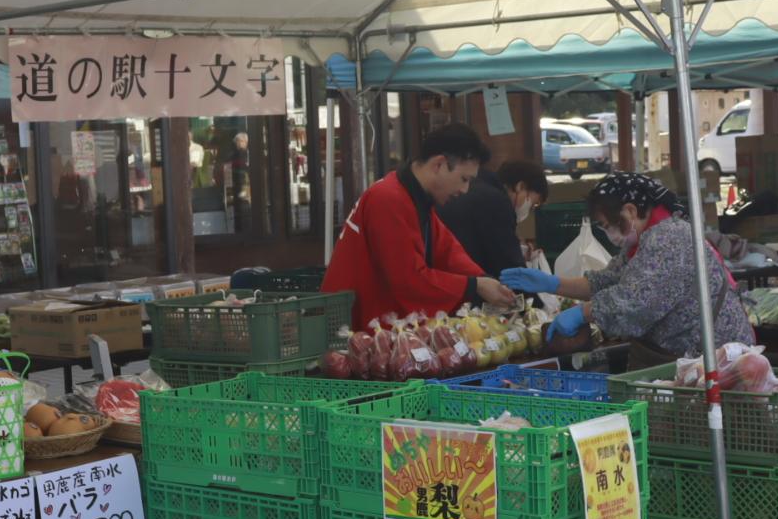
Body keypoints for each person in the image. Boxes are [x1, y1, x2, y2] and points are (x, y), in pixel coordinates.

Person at [499, 172, 753, 364]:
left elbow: (636, 301)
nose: (608, 233)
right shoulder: (644, 239)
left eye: (607, 224)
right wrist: (552, 283)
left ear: (630, 211)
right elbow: (607, 281)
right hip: (689, 354)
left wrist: (582, 314)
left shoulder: (668, 238)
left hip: (715, 357)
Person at [322, 123, 517, 327]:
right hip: (353, 327)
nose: (465, 189)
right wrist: (474, 285)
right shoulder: (388, 199)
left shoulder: (413, 196)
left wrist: (482, 278)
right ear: (439, 164)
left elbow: (447, 250)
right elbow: (408, 279)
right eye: (464, 179)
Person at [439, 157, 549, 277]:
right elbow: (510, 267)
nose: (529, 210)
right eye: (533, 204)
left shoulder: (480, 187)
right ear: (520, 186)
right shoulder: (497, 202)